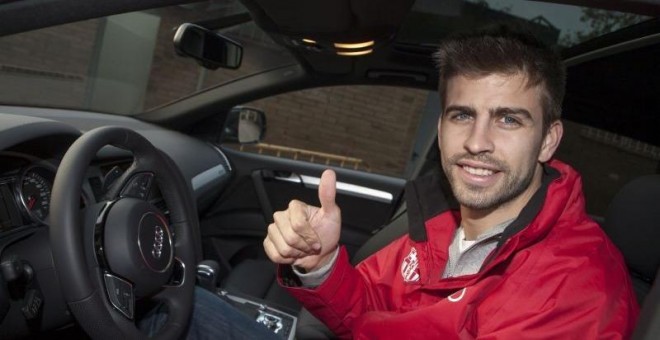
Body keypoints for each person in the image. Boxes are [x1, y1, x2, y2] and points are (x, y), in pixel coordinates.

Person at [263, 25, 640, 338]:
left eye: (508, 119)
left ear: (547, 140)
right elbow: (368, 314)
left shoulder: (575, 290)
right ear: (441, 128)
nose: (477, 142)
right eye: (462, 115)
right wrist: (321, 265)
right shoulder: (440, 218)